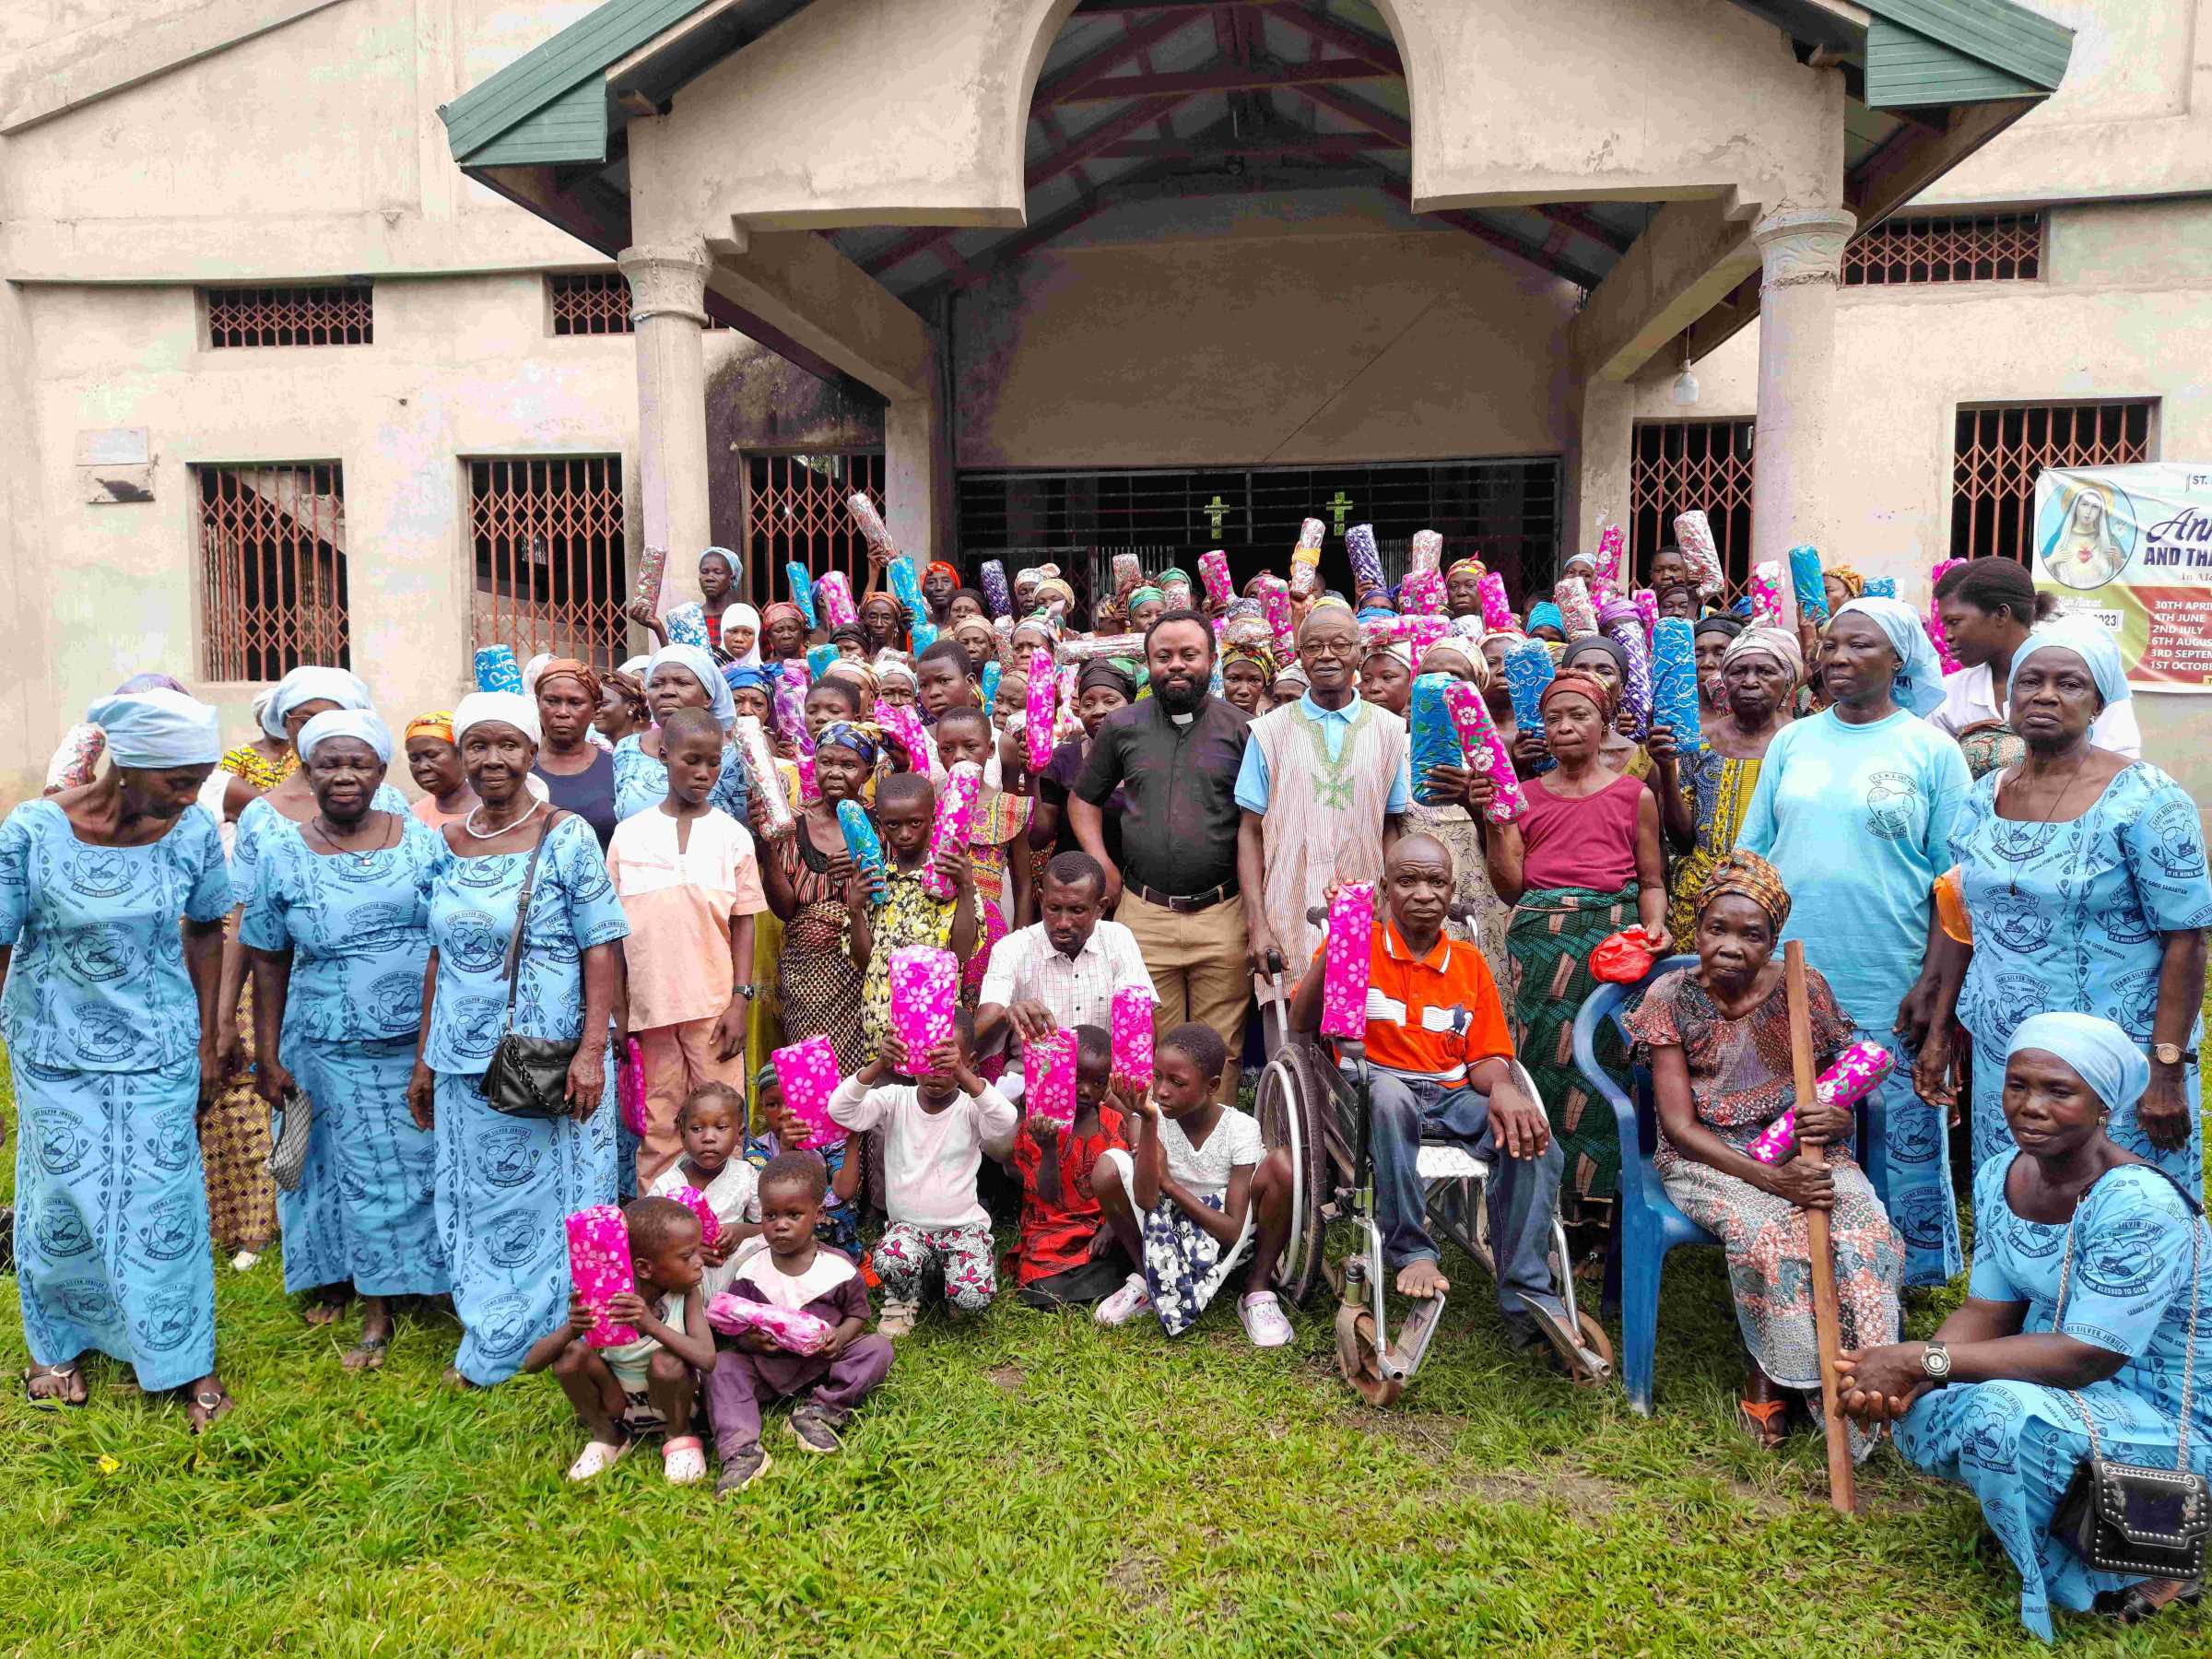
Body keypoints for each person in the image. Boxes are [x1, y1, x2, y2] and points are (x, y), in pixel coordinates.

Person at [1839, 1016, 2212, 1639]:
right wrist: (1906, 1377)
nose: (2030, 1107)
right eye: (2018, 1085)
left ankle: (2140, 1562)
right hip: (2070, 1384)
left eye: (2059, 1091)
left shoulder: (2138, 1206)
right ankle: (2062, 1514)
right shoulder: (2001, 1174)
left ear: (2103, 1105)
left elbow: (2085, 1357)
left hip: (2172, 1414)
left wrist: (1919, 1361)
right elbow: (1989, 1312)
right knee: (1925, 1408)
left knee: (2000, 1413)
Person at [4, 688, 235, 1426]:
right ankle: (58, 1345)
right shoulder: (34, 831)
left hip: (158, 1044)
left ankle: (181, 1357)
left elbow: (205, 929)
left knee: (162, 1201)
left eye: (199, 778)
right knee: (59, 1203)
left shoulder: (191, 831)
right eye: (179, 779)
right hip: (52, 1046)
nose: (193, 794)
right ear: (126, 765)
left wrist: (209, 1035)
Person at [1623, 851, 1903, 1447]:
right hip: (1709, 1156)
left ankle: (1863, 1387)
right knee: (1775, 1233)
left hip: (1798, 1146)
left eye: (1751, 935)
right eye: (1716, 929)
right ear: (1696, 929)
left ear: (1773, 940)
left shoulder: (1804, 987)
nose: (1730, 945)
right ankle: (1775, 1377)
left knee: (1865, 1230)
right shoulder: (1671, 996)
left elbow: (1838, 1089)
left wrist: (1834, 1118)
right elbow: (1678, 1127)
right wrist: (1771, 1183)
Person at [1287, 835, 1593, 1370]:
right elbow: (1302, 1025)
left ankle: (1526, 1289)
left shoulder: (1470, 965)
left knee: (1536, 1141)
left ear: (1452, 892)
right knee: (1388, 1096)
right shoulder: (1360, 945)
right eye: (1407, 881)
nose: (1423, 893)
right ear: (1384, 890)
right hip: (1373, 1090)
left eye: (1436, 882)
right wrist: (1340, 940)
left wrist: (1504, 1089)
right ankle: (1412, 1247)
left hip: (1452, 1093)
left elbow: (1489, 1057)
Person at [1737, 597, 1973, 1287]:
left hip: (1888, 970)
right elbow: (1754, 856)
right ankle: (1800, 1262)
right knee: (1798, 1114)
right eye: (1830, 645)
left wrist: (1934, 984)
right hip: (1791, 970)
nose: (1837, 658)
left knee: (1895, 1118)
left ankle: (1902, 1271)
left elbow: (1954, 884)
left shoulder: (1931, 750)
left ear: (1899, 660)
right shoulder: (1794, 740)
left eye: (1858, 646)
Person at [1937, 618, 2211, 1193]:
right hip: (2008, 1053)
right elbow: (1965, 916)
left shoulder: (2147, 800)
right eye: (2029, 681)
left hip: (2115, 1055)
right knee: (2016, 1190)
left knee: (2123, 1205)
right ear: (2009, 696)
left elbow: (2186, 937)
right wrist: (1944, 1027)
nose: (2045, 695)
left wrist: (2165, 1070)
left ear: (2098, 703)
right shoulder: (1982, 797)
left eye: (2069, 684)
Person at [408, 691, 629, 1388]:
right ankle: (495, 1333)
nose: (492, 758)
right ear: (461, 755)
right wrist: (423, 1056)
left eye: (508, 745)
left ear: (532, 754)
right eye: (478, 745)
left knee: (564, 1199)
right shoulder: (442, 844)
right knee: (476, 1199)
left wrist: (593, 1051)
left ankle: (577, 1333)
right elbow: (437, 955)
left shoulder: (564, 835)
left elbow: (603, 946)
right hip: (463, 1061)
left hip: (554, 1060)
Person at [241, 710, 448, 1369]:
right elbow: (268, 956)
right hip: (331, 1043)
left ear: (380, 771)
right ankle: (376, 1304)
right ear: (306, 770)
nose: (343, 775)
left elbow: (449, 940)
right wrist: (266, 1053)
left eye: (358, 762)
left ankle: (436, 1283)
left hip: (420, 1039)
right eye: (328, 763)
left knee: (426, 1163)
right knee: (359, 1174)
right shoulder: (282, 850)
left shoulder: (421, 842)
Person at [1471, 672, 1668, 1226]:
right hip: (1539, 944)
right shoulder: (1525, 797)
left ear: (1604, 721)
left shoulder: (1635, 795)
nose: (1565, 727)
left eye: (1578, 715)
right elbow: (1510, 888)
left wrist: (1654, 928)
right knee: (1543, 1062)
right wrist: (1495, 824)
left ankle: (1608, 1204)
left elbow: (1652, 881)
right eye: (1554, 718)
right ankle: (1552, 1200)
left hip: (1611, 942)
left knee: (1606, 1060)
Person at [217, 665, 391, 1282]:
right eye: (305, 720)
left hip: (381, 1012)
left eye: (335, 716)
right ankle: (324, 1273)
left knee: (382, 1143)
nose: (320, 730)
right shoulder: (263, 815)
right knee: (305, 1137)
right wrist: (223, 1021)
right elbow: (247, 923)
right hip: (289, 1004)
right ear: (284, 729)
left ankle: (389, 1274)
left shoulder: (391, 808)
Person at [1072, 612, 1253, 1096]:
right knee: (1152, 1047)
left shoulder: (1245, 731)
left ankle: (1216, 1160)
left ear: (1212, 660)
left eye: (1188, 655)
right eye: (1164, 656)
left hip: (1223, 914)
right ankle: (1156, 1162)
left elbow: (1262, 824)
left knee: (1219, 1050)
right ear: (1148, 664)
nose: (1176, 665)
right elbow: (1083, 798)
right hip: (1144, 915)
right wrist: (1101, 862)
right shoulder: (1121, 725)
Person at [606, 706, 765, 1185]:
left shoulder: (732, 836)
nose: (703, 773)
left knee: (720, 1119)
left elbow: (744, 924)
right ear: (662, 754)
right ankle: (662, 1227)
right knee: (660, 1122)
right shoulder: (628, 836)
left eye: (713, 762)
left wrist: (739, 1000)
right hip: (649, 1010)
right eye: (691, 760)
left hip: (714, 1008)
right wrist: (619, 1011)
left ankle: (726, 1223)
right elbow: (611, 934)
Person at [1091, 1021, 1295, 1346]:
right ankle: (1146, 1277)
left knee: (1284, 1164)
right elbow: (1146, 1201)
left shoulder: (1240, 1129)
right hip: (1164, 1231)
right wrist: (1147, 1122)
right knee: (1108, 1168)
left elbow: (1231, 1231)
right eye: (1157, 1076)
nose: (1161, 1091)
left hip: (1226, 1237)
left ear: (1212, 1085)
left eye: (1177, 1082)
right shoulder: (1151, 1115)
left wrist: (1169, 1184)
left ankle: (1257, 1290)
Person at [1238, 603, 1410, 979]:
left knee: (1366, 1027)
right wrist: (1258, 925)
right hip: (1286, 917)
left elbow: (1390, 828)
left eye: (1340, 644)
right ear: (1300, 657)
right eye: (1314, 646)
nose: (1326, 655)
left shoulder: (1390, 731)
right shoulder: (1268, 732)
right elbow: (1250, 833)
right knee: (1290, 1032)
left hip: (1369, 916)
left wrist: (1395, 908)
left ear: (1359, 654)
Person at [706, 1152, 896, 1492]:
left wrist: (840, 1335)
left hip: (822, 1362)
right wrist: (750, 1341)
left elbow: (857, 1315)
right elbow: (736, 1325)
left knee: (877, 1348)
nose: (780, 1225)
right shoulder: (750, 1270)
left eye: (794, 1215)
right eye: (770, 1215)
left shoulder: (838, 1268)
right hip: (766, 1365)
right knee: (721, 1367)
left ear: (818, 1215)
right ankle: (741, 1450)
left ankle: (820, 1410)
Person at [829, 1020, 1018, 1335]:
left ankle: (948, 1282)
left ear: (968, 1061)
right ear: (907, 1059)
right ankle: (905, 1294)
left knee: (973, 1296)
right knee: (891, 1260)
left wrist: (963, 1076)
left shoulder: (971, 1109)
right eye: (924, 1059)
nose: (933, 1072)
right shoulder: (894, 1100)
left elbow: (1006, 1119)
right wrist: (878, 1064)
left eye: (945, 1063)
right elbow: (841, 1110)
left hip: (962, 1230)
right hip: (909, 1230)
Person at [524, 1195, 715, 1486]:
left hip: (673, 1401)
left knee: (668, 1362)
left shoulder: (686, 1294)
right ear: (645, 1268)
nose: (700, 1262)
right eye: (687, 1255)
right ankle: (607, 1436)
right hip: (621, 1406)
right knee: (570, 1355)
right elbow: (532, 1364)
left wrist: (650, 1324)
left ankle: (680, 1435)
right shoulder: (604, 1299)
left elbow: (707, 1358)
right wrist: (572, 1330)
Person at [1932, 557, 2141, 771]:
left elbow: (2121, 760)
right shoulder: (1949, 695)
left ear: (2001, 614)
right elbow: (1940, 776)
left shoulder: (2086, 676)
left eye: (1954, 622)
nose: (1947, 635)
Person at [1661, 626, 1795, 944]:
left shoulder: (1803, 742)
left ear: (1787, 681)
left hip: (1780, 895)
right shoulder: (1700, 744)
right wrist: (1667, 768)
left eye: (1765, 671)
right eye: (1738, 671)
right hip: (1702, 900)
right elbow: (1682, 840)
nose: (1750, 681)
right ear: (1724, 679)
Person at [975, 850, 1156, 1077]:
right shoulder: (1011, 949)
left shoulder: (1118, 939)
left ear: (1100, 908)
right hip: (1033, 1085)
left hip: (1103, 1087)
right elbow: (976, 1045)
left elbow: (1142, 1029)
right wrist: (1005, 1015)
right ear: (1041, 899)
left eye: (1077, 910)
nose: (1062, 923)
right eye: (1054, 908)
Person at [760, 720, 876, 1075]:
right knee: (811, 1071)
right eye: (826, 763)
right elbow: (785, 909)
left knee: (860, 1074)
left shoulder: (881, 823)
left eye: (848, 765)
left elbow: (888, 897)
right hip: (806, 973)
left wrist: (863, 870)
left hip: (863, 965)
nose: (835, 773)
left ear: (867, 771)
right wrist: (767, 844)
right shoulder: (793, 823)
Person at [846, 771, 983, 1055]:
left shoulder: (950, 879)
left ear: (933, 819)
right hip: (882, 1030)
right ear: (881, 825)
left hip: (935, 1027)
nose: (905, 833)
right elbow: (864, 961)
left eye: (915, 823)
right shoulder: (876, 882)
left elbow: (961, 953)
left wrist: (966, 887)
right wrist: (855, 909)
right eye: (893, 825)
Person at [1010, 1025, 1133, 1308]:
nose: (1086, 1090)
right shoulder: (1037, 1127)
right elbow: (1047, 1197)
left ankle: (1092, 1283)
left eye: (1099, 1082)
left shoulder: (1114, 1125)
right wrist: (1049, 1147)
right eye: (1077, 1078)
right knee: (1040, 1277)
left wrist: (1110, 1229)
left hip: (1100, 1227)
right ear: (1061, 1070)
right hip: (1052, 1228)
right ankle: (1085, 1287)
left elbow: (1124, 1189)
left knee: (1124, 1249)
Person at [611, 643, 752, 825]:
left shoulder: (733, 758)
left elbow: (746, 830)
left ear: (708, 697)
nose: (667, 692)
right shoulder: (627, 748)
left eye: (682, 683)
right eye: (656, 684)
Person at [645, 1082, 762, 1297]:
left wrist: (741, 1231)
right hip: (683, 1288)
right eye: (697, 1129)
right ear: (682, 1134)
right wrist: (689, 1252)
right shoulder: (666, 1185)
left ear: (740, 1133)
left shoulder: (746, 1175)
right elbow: (648, 1241)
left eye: (721, 1127)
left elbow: (768, 1227)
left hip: (735, 1283)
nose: (708, 1137)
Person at [1030, 659, 1132, 867]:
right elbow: (1038, 840)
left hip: (1136, 888)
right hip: (1074, 887)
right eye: (1088, 704)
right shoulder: (1062, 760)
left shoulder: (1148, 757)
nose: (1098, 710)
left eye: (1110, 701)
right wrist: (1031, 776)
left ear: (1131, 705)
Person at [757, 1064, 864, 1253]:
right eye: (772, 1104)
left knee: (834, 1201)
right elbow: (775, 1199)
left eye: (792, 1101)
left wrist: (852, 1135)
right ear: (762, 1108)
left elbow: (845, 1191)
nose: (783, 1113)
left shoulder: (826, 1141)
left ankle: (841, 1254)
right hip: (781, 1239)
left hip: (832, 1243)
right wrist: (785, 1150)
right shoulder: (758, 1149)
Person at [532, 658, 619, 850]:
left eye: (575, 703)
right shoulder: (521, 771)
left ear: (595, 709)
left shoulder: (617, 770)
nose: (562, 712)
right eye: (552, 701)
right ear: (538, 703)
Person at [627, 547, 745, 660]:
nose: (710, 578)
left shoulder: (743, 620)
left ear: (732, 579)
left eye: (717, 572)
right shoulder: (684, 619)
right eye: (704, 572)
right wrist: (657, 627)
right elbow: (676, 664)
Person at [405, 712, 477, 830]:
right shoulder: (413, 818)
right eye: (414, 759)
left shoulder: (495, 810)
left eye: (432, 755)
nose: (422, 767)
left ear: (461, 753)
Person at [595, 669, 652, 747]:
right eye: (595, 705)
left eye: (604, 704)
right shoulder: (594, 749)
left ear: (631, 706)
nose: (596, 710)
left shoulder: (648, 750)